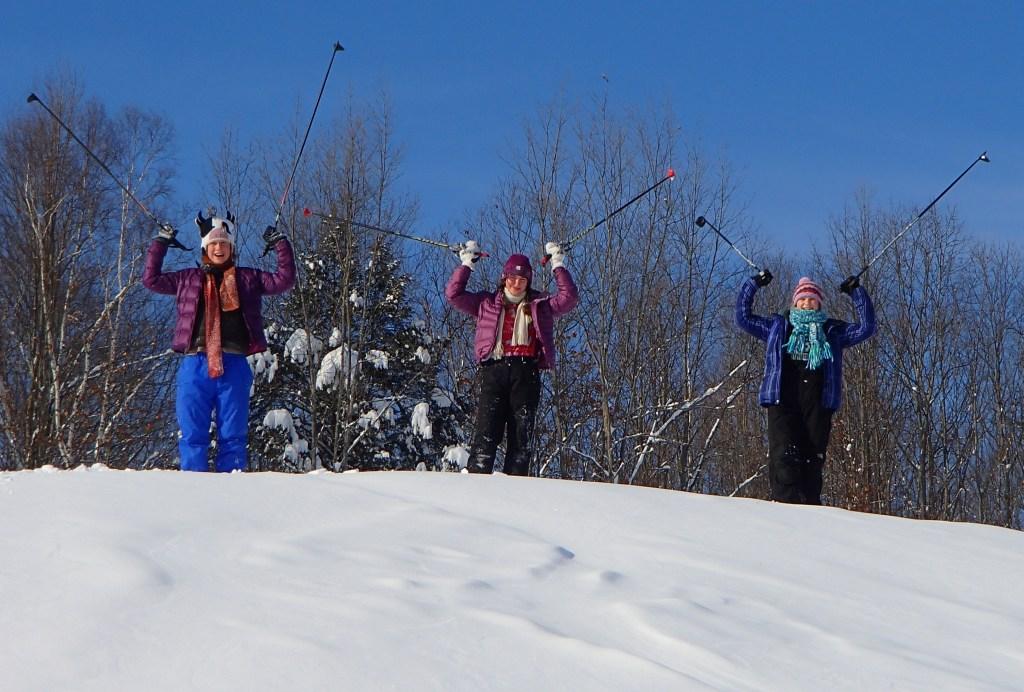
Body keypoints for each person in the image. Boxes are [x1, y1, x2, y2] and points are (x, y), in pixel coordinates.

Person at [142, 212, 296, 472]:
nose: (219, 248)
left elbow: (284, 280)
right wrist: (160, 243)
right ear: (205, 247)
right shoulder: (187, 278)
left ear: (231, 248)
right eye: (213, 244)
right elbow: (151, 279)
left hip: (233, 364)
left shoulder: (248, 278)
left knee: (233, 435)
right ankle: (192, 488)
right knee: (192, 434)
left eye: (224, 244)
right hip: (195, 364)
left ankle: (232, 491)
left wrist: (280, 244)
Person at [735, 271, 875, 504]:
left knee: (812, 458)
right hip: (782, 399)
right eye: (803, 299)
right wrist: (754, 284)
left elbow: (866, 328)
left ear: (819, 304)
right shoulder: (777, 327)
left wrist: (856, 292)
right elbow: (743, 318)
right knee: (784, 455)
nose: (807, 303)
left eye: (812, 300)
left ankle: (810, 508)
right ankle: (785, 504)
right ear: (795, 302)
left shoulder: (831, 332)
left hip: (818, 402)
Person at [445, 241, 579, 475]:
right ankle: (476, 481)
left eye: (523, 280)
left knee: (521, 436)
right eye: (512, 278)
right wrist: (467, 264)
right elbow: (454, 295)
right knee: (486, 430)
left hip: (525, 372)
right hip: (494, 370)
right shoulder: (486, 303)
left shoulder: (539, 304)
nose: (517, 284)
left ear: (528, 282)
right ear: (504, 278)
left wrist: (557, 263)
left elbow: (568, 298)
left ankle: (515, 488)